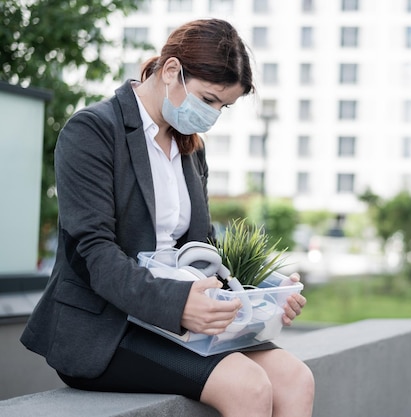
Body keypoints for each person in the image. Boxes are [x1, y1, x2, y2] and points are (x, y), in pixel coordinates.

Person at [20, 19, 315, 417]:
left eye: (222, 107)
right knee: (247, 387)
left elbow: (202, 248)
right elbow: (93, 255)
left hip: (180, 321)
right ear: (172, 70)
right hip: (109, 325)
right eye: (208, 99)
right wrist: (177, 306)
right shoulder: (91, 131)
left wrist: (267, 288)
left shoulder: (191, 148)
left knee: (297, 379)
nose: (213, 115)